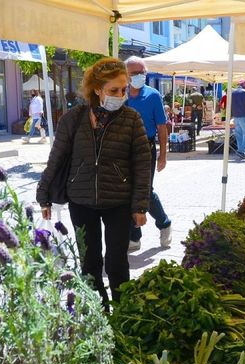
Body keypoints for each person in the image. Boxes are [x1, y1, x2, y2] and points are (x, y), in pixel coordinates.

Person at [36, 57, 150, 307]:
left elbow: (143, 164)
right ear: (97, 89)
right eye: (113, 90)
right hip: (81, 199)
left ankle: (122, 312)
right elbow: (56, 158)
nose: (120, 95)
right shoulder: (73, 118)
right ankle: (97, 312)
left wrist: (140, 205)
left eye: (123, 89)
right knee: (89, 263)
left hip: (118, 201)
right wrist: (43, 193)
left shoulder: (131, 119)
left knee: (117, 262)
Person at [124, 56, 172, 252]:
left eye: (141, 72)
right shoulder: (121, 95)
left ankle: (164, 223)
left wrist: (163, 155)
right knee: (126, 192)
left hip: (146, 148)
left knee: (144, 191)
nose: (138, 76)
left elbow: (162, 127)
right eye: (134, 73)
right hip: (124, 150)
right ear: (126, 76)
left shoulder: (153, 96)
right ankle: (134, 237)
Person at [231, 80, 245, 160]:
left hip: (236, 116)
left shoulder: (232, 92)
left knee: (239, 135)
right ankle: (241, 151)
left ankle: (241, 152)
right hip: (244, 115)